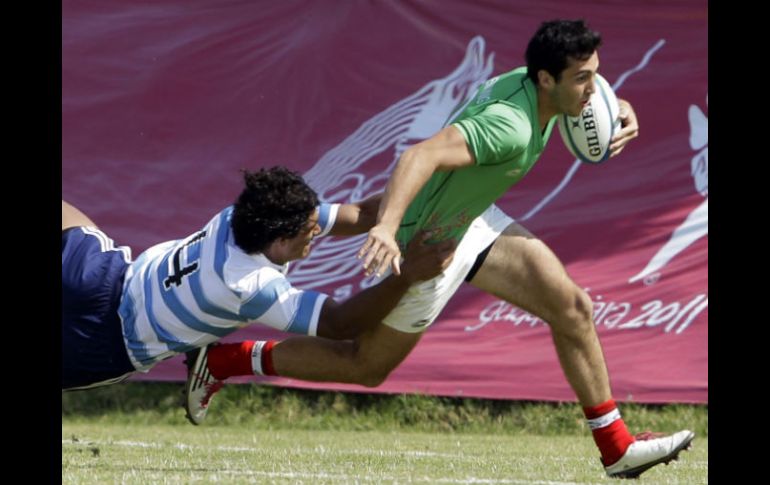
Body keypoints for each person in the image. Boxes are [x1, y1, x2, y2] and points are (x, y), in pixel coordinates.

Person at [184, 20, 694, 479]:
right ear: (545, 80)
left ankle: (617, 448)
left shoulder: (541, 84)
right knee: (365, 364)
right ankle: (226, 360)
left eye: (594, 75)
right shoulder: (509, 127)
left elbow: (592, 96)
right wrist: (386, 229)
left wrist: (616, 109)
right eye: (583, 79)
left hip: (472, 223)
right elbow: (419, 154)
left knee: (572, 308)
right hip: (428, 248)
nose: (593, 88)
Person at [62, 166, 455, 395]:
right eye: (309, 231)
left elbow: (359, 214)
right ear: (281, 240)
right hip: (105, 344)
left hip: (103, 277)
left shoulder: (246, 214)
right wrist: (408, 277)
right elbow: (341, 325)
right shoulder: (248, 285)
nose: (316, 234)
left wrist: (427, 191)